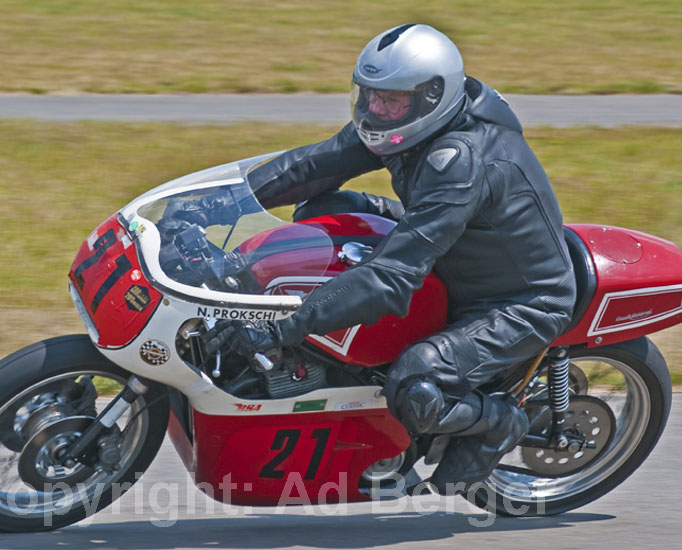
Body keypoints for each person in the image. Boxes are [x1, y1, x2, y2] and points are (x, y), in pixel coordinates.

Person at [206, 24, 576, 492]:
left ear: (432, 97)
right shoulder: (407, 123)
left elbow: (392, 278)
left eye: (391, 101)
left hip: (520, 300)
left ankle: (499, 423)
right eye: (370, 96)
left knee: (415, 383)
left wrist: (282, 325)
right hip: (454, 247)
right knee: (319, 211)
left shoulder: (461, 160)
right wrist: (222, 203)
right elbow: (311, 166)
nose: (376, 110)